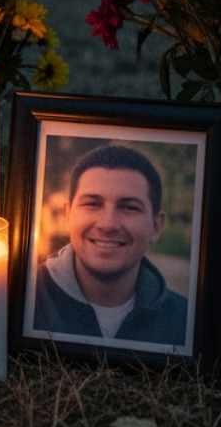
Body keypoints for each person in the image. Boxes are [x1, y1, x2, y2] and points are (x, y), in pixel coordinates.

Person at [33, 143, 188, 345]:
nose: (107, 224)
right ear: (68, 216)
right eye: (92, 204)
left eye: (129, 207)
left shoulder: (185, 322)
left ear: (156, 226)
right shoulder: (23, 300)